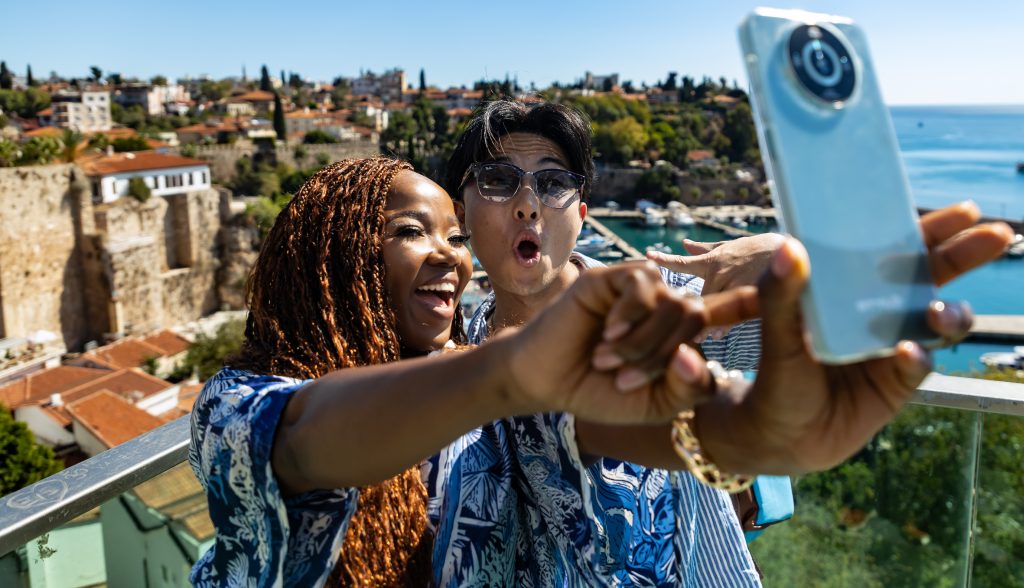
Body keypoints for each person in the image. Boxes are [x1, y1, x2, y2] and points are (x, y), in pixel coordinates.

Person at [444, 99, 1014, 584]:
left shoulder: (663, 306)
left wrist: (799, 264)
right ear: (461, 211)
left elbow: (798, 329)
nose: (528, 203)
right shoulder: (452, 347)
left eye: (552, 182)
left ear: (583, 213)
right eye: (497, 180)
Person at [189, 157, 757, 587]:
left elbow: (583, 432)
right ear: (336, 256)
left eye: (456, 237)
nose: (450, 255)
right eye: (411, 232)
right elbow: (303, 438)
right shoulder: (237, 399)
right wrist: (503, 375)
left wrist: (734, 435)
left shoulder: (472, 382)